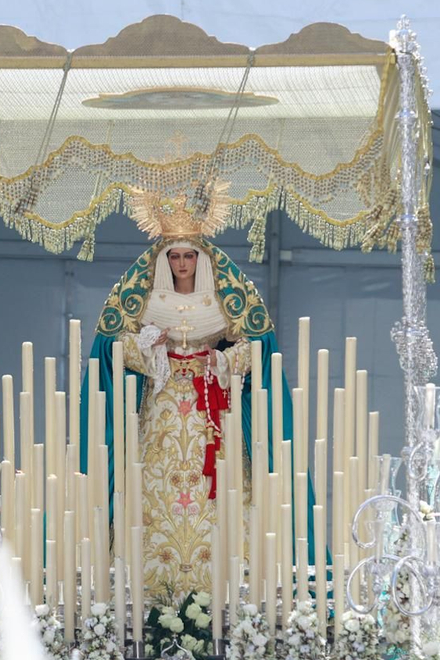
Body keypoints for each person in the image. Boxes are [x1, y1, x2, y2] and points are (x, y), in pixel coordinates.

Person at [88, 180, 300, 607]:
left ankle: (219, 589)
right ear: (164, 260)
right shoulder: (147, 300)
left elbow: (257, 347)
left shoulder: (221, 300)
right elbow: (113, 345)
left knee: (214, 490)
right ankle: (152, 590)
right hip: (161, 410)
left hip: (210, 414)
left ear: (200, 260)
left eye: (188, 256)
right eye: (175, 256)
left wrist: (220, 362)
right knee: (154, 488)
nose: (182, 263)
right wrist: (150, 345)